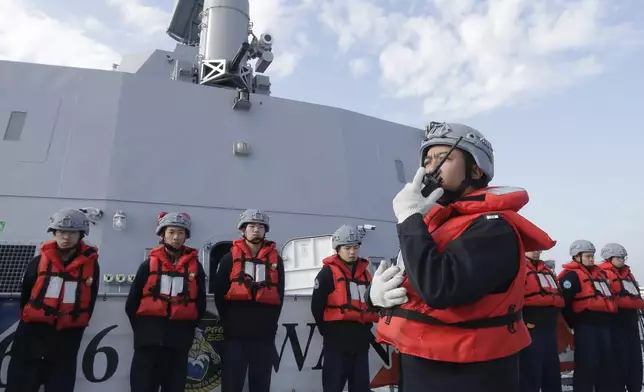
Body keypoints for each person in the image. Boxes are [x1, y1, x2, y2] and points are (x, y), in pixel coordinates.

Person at [369, 122, 556, 392]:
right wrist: (376, 298)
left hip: (467, 372)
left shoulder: (493, 227)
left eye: (443, 158)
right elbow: (411, 280)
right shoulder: (434, 225)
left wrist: (409, 220)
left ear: (476, 168)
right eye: (427, 159)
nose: (430, 167)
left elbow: (440, 289)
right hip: (423, 362)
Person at [5, 208, 100, 392]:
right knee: (21, 385)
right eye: (61, 232)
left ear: (81, 235)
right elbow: (26, 295)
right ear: (54, 233)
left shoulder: (91, 267)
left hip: (66, 340)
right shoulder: (37, 262)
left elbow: (91, 299)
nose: (66, 237)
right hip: (31, 338)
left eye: (72, 233)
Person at [126, 212, 207, 392]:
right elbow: (132, 303)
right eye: (171, 232)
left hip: (178, 342)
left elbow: (200, 304)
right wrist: (143, 331)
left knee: (174, 387)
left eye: (180, 232)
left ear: (186, 236)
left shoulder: (196, 268)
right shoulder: (147, 266)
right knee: (142, 386)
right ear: (162, 234)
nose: (176, 237)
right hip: (148, 342)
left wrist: (185, 329)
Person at [214, 209, 285, 392]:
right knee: (231, 384)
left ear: (265, 231)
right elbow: (219, 295)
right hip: (235, 336)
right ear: (243, 230)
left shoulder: (276, 261)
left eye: (261, 226)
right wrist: (230, 322)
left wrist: (270, 324)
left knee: (261, 385)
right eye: (251, 226)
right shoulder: (228, 259)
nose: (256, 230)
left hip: (264, 336)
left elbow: (280, 295)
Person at [311, 224, 379, 392]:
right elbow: (316, 306)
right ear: (338, 249)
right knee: (333, 386)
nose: (352, 252)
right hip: (337, 343)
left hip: (360, 343)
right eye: (347, 248)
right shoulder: (327, 274)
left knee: (361, 387)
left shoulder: (366, 274)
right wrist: (328, 332)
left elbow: (374, 304)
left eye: (355, 247)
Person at [557, 240, 617, 392]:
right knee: (586, 366)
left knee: (605, 365)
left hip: (604, 327)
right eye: (588, 256)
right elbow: (565, 302)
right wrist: (574, 323)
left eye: (592, 256)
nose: (592, 259)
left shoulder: (599, 276)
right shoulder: (571, 277)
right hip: (586, 327)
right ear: (577, 257)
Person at [599, 243, 644, 392]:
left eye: (623, 257)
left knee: (635, 359)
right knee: (618, 358)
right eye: (618, 257)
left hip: (631, 321)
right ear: (609, 258)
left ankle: (635, 387)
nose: (621, 260)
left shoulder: (628, 275)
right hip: (615, 322)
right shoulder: (603, 274)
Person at [520, 250, 564, 392]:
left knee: (551, 371)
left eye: (539, 249)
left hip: (549, 328)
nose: (537, 251)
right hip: (531, 328)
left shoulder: (547, 271)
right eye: (533, 248)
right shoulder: (517, 268)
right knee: (531, 372)